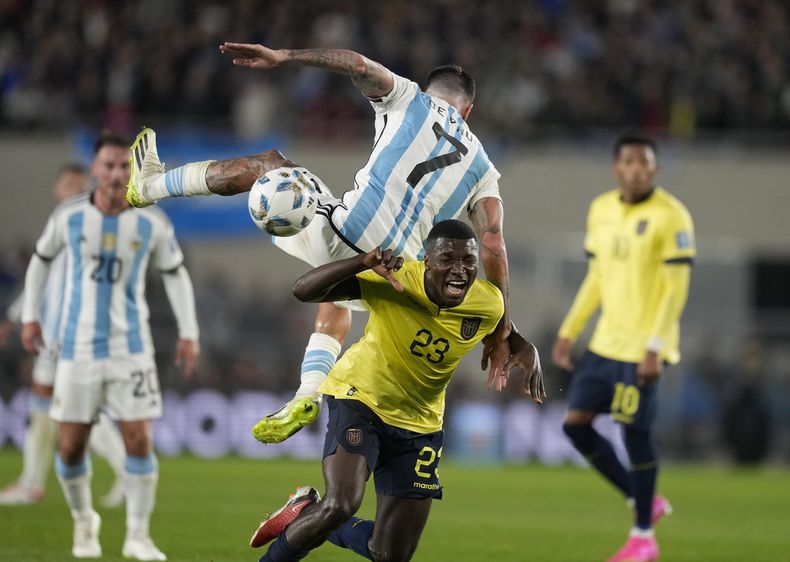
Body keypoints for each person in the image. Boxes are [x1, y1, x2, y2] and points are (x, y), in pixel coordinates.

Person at [125, 42, 541, 443]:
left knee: (270, 164)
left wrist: (285, 57)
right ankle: (308, 392)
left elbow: (357, 65)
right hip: (395, 278)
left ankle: (150, 186)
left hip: (345, 236)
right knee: (343, 292)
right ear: (468, 111)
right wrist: (503, 327)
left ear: (430, 90)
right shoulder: (484, 167)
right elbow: (491, 242)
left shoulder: (409, 97)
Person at [249, 219, 545, 562]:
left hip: (421, 426)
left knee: (390, 554)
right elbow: (304, 290)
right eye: (448, 259)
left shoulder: (488, 302)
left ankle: (304, 512)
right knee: (341, 504)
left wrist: (527, 346)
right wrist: (361, 263)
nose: (459, 270)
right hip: (360, 399)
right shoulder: (395, 279)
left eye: (468, 261)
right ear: (427, 261)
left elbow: (503, 328)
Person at [20, 132, 200, 560]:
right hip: (76, 349)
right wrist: (29, 315)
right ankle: (85, 522)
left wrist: (189, 331)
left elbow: (175, 273)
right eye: (109, 165)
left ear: (132, 171)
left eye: (125, 166)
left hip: (131, 349)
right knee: (70, 446)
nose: (118, 173)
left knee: (138, 440)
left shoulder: (152, 222)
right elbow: (41, 260)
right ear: (95, 170)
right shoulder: (69, 217)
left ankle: (138, 535)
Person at [552, 134, 695, 562]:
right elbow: (597, 277)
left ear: (654, 169)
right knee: (575, 425)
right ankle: (642, 497)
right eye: (628, 162)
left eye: (643, 162)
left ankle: (643, 537)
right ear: (617, 167)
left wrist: (655, 347)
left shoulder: (671, 216)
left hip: (644, 349)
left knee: (635, 435)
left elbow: (675, 289)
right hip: (605, 343)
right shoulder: (601, 209)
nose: (635, 169)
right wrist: (569, 330)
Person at [0, 164, 127, 509]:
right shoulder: (63, 220)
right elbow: (41, 277)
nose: (74, 187)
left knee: (76, 406)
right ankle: (32, 482)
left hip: (76, 331)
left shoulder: (92, 223)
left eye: (79, 182)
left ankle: (127, 472)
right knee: (51, 403)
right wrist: (17, 317)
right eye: (68, 182)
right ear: (57, 189)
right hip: (54, 332)